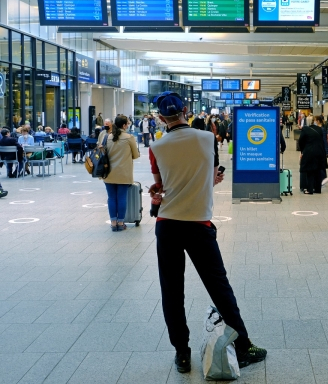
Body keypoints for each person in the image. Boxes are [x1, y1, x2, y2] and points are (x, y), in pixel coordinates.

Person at [147, 91, 266, 373]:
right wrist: (211, 181)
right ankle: (243, 345)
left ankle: (182, 354)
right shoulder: (207, 138)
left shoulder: (156, 147)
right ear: (186, 110)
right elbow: (209, 179)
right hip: (199, 225)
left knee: (172, 291)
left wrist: (162, 190)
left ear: (162, 118)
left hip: (167, 225)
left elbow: (161, 187)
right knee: (219, 287)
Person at [103, 116, 139, 232]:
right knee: (122, 197)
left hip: (108, 173)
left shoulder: (108, 137)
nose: (128, 126)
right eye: (127, 124)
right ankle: (120, 222)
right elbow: (136, 155)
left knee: (112, 198)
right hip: (123, 173)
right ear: (124, 125)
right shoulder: (129, 138)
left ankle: (113, 223)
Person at [299, 115, 328, 194]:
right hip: (320, 152)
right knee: (318, 170)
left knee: (310, 171)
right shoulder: (320, 129)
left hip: (309, 152)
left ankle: (310, 189)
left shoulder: (305, 129)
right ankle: (318, 189)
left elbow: (301, 141)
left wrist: (302, 151)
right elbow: (323, 141)